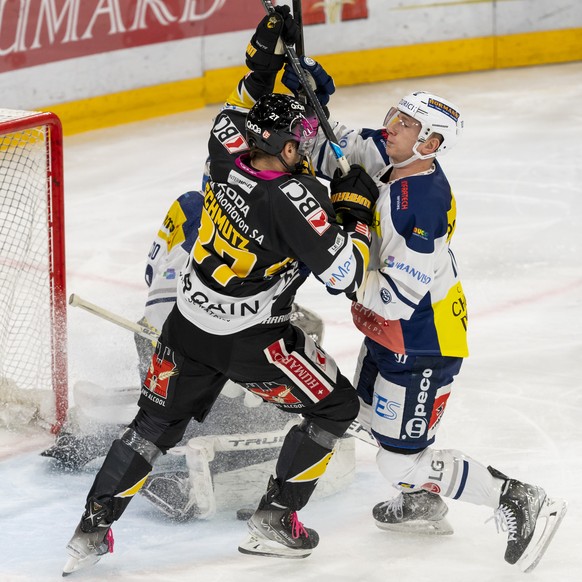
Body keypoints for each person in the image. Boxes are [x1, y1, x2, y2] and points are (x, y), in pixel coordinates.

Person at [62, 5, 379, 575]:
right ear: (285, 151)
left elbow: (245, 103)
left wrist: (268, 54)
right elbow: (344, 276)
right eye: (301, 146)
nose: (307, 153)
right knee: (336, 408)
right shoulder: (294, 203)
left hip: (185, 328)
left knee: (153, 426)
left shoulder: (223, 148)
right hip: (253, 341)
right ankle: (276, 517)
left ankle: (91, 530)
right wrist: (355, 208)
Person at [282, 62, 567, 572]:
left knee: (399, 457)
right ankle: (422, 500)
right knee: (366, 419)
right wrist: (309, 97)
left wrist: (340, 256)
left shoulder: (424, 205)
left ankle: (517, 497)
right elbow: (333, 148)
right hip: (393, 336)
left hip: (422, 343)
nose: (390, 125)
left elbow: (395, 299)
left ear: (430, 144)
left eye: (405, 124)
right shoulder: (391, 159)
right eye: (394, 115)